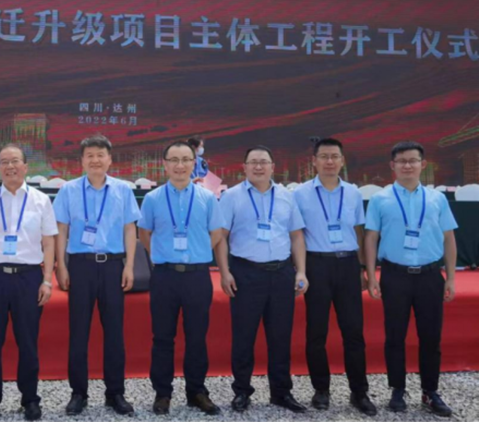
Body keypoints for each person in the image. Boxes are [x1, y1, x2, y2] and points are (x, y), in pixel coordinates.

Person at [365, 141, 458, 417]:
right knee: (395, 336)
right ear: (392, 165)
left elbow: (449, 238)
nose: (407, 165)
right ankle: (397, 389)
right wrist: (371, 274)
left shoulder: (437, 199)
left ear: (423, 164)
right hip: (394, 276)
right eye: (401, 161)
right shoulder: (380, 199)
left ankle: (430, 391)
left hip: (430, 276)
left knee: (430, 336)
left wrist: (451, 277)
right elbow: (371, 238)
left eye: (413, 160)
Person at [0, 144, 59, 422]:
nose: (10, 166)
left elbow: (49, 242)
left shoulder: (41, 201)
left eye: (15, 161)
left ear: (26, 166)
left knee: (28, 342)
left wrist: (47, 280)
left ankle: (30, 399)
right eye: (4, 162)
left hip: (28, 278)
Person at [216, 145, 309, 414]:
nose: (258, 167)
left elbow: (296, 236)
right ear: (244, 167)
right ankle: (242, 391)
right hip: (246, 273)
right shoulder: (231, 196)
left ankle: (281, 392)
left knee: (280, 336)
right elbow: (220, 237)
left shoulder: (287, 197)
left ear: (272, 166)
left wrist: (301, 271)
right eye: (253, 162)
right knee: (244, 336)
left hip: (281, 273)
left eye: (264, 162)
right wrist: (224, 272)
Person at [53, 135, 140, 416]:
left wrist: (129, 265)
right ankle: (78, 393)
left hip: (113, 266)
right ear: (81, 160)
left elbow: (130, 229)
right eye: (89, 155)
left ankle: (115, 393)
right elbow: (61, 230)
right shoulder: (68, 190)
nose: (95, 160)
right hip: (80, 266)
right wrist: (61, 266)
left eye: (100, 154)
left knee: (114, 331)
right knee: (79, 331)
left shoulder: (123, 190)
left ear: (110, 159)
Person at [137, 141, 224, 416]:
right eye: (174, 160)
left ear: (193, 164)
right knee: (163, 337)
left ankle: (196, 391)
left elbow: (216, 233)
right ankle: (162, 393)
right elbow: (144, 233)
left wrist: (197, 252)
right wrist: (162, 255)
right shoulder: (153, 199)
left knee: (197, 337)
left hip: (197, 276)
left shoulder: (207, 198)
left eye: (186, 159)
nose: (180, 165)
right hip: (165, 276)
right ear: (164, 164)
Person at [293, 138, 376, 415]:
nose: (329, 161)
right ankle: (321, 389)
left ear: (342, 160)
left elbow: (359, 232)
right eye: (324, 156)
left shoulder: (353, 193)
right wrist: (300, 269)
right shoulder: (300, 194)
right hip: (317, 265)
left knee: (353, 331)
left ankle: (359, 392)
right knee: (316, 332)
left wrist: (362, 268)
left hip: (348, 265)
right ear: (314, 161)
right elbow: (296, 235)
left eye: (334, 156)